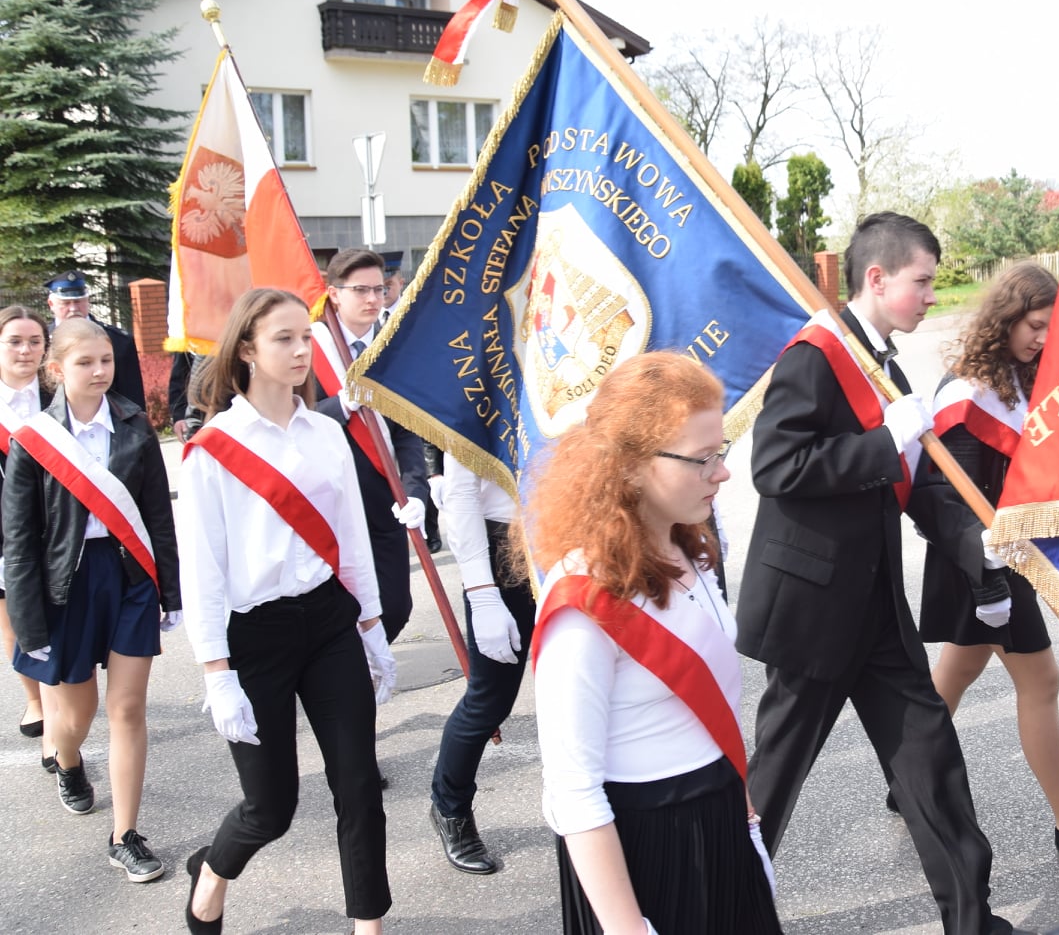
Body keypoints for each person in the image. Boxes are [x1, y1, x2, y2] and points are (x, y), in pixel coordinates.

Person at [735, 212, 1059, 935]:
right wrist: (883, 440)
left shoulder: (879, 359)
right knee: (772, 783)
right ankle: (712, 909)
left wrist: (972, 542)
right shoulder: (816, 357)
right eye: (921, 280)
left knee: (931, 764)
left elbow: (914, 483)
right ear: (878, 277)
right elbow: (776, 466)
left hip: (876, 608)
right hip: (814, 610)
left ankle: (973, 924)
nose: (930, 293)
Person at [527, 351, 781, 934]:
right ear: (630, 467)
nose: (723, 473)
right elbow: (573, 792)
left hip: (716, 816)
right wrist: (626, 928)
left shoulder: (687, 547)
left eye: (721, 452)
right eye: (702, 459)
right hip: (647, 846)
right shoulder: (583, 603)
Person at [178, 287, 396, 935]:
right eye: (284, 338)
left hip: (330, 622)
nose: (302, 349)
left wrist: (372, 627)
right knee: (270, 807)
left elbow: (352, 536)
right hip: (254, 638)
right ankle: (211, 875)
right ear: (246, 348)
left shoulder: (326, 433)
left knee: (359, 787)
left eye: (306, 335)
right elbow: (204, 572)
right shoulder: (212, 451)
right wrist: (216, 671)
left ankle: (369, 924)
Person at [913, 261, 1059, 857]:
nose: (1043, 339)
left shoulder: (1025, 376)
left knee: (959, 669)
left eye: (1050, 328)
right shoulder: (969, 392)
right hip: (983, 562)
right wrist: (987, 578)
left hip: (1013, 552)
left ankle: (906, 772)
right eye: (1035, 326)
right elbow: (944, 496)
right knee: (1041, 681)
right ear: (1007, 318)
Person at [2, 317, 180, 883]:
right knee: (73, 718)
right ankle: (70, 762)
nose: (100, 371)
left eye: (105, 360)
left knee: (127, 708)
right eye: (85, 362)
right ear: (57, 371)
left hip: (127, 578)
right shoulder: (35, 442)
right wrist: (30, 624)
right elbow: (22, 542)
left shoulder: (133, 427)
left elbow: (158, 518)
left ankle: (124, 834)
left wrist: (170, 591)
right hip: (65, 587)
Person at [426, 449, 532, 875]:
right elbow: (463, 493)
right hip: (505, 544)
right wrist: (482, 591)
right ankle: (449, 807)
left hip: (571, 531)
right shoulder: (486, 380)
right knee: (491, 698)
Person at [315, 248, 428, 642]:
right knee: (338, 606)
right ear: (334, 294)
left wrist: (416, 490)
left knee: (395, 606)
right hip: (327, 497)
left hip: (384, 498)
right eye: (360, 290)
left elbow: (407, 430)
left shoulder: (393, 344)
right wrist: (340, 405)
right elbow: (291, 421)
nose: (373, 300)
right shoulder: (312, 347)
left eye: (379, 290)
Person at [0, 306, 53, 747]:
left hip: (58, 524)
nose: (25, 350)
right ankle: (34, 698)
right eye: (15, 341)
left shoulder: (59, 395)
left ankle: (59, 703)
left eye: (34, 341)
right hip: (3, 527)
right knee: (13, 617)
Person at [45, 271, 146, 411]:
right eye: (66, 303)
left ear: (88, 301)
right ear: (51, 304)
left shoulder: (119, 341)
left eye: (79, 301)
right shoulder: (41, 341)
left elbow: (132, 397)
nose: (73, 308)